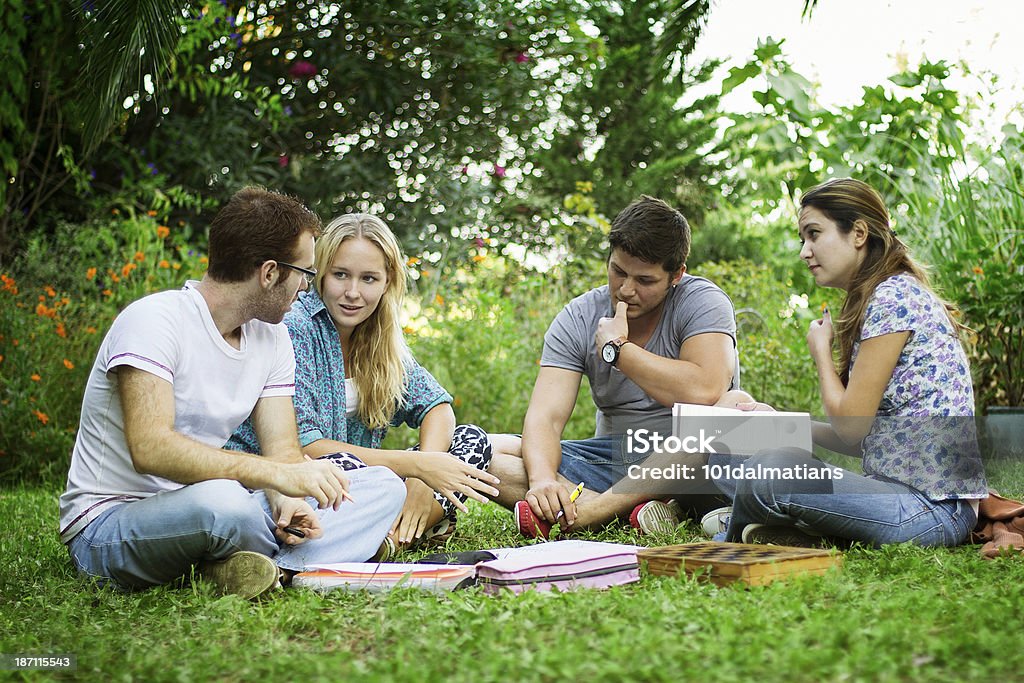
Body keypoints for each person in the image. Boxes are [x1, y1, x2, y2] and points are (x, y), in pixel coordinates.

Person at [59, 188, 406, 599]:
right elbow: (150, 448)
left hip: (217, 507)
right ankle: (292, 561)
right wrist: (275, 477)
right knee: (225, 502)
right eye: (305, 274)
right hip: (110, 524)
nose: (306, 289)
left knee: (384, 485)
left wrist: (285, 501)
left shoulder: (272, 338)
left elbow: (282, 454)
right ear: (270, 273)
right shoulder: (154, 321)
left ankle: (256, 569)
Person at [709, 178, 987, 547]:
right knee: (732, 452)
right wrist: (777, 423)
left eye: (814, 234)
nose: (805, 252)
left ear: (858, 233)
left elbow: (851, 430)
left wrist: (821, 353)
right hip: (891, 495)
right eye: (802, 239)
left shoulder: (894, 297)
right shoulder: (880, 298)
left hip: (932, 510)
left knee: (771, 470)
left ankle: (735, 535)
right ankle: (780, 528)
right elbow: (866, 442)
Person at [228, 214, 499, 552]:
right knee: (365, 474)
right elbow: (305, 448)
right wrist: (415, 466)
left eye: (369, 278)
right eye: (341, 275)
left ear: (387, 282)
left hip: (354, 485)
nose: (353, 293)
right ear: (321, 274)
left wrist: (419, 481)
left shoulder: (379, 340)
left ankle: (387, 538)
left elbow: (436, 407)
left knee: (471, 441)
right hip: (285, 482)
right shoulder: (296, 328)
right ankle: (377, 536)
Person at [488, 195, 739, 537]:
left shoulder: (703, 301)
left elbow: (705, 391)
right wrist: (543, 480)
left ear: (677, 274)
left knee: (734, 408)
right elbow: (545, 417)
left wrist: (619, 351)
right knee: (482, 448)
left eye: (645, 281)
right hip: (618, 459)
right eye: (618, 271)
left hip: (700, 461)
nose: (626, 290)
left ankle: (595, 510)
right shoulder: (578, 316)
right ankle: (642, 510)